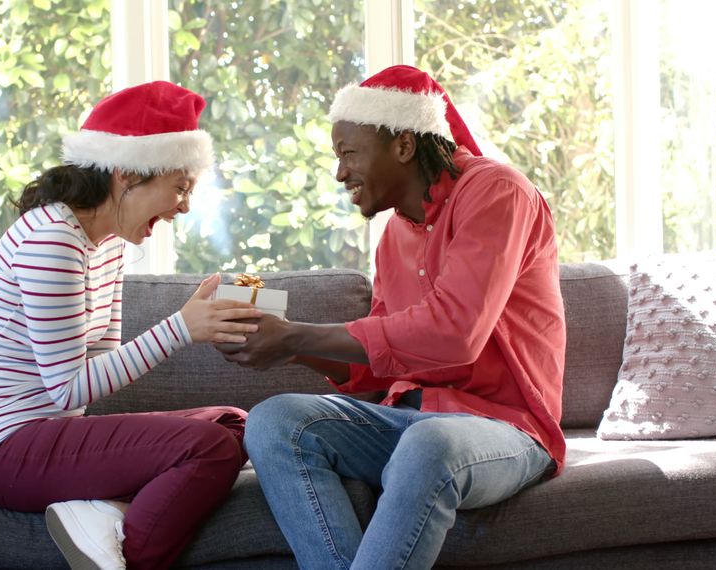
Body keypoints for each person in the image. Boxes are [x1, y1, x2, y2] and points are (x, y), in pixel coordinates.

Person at [217, 65, 567, 569]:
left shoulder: (497, 192)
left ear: (403, 145)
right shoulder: (393, 240)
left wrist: (296, 334)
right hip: (412, 420)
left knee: (430, 441)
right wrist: (284, 342)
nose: (340, 173)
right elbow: (378, 367)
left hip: (506, 430)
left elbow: (455, 334)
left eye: (348, 153)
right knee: (275, 421)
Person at [0, 81, 263, 570]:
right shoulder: (52, 239)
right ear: (127, 173)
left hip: (51, 433)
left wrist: (202, 324)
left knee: (237, 424)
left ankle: (101, 511)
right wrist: (181, 327)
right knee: (209, 450)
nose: (184, 206)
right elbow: (68, 390)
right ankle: (128, 554)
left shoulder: (109, 244)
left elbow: (98, 364)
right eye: (179, 187)